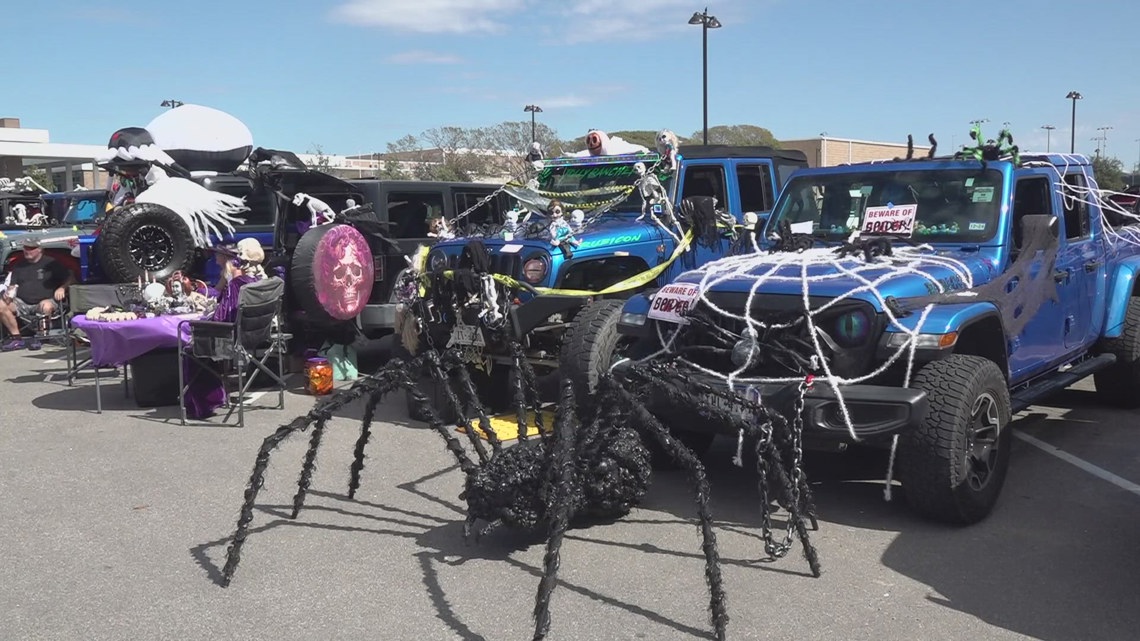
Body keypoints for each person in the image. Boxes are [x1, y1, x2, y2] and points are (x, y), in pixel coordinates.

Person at [183, 237, 268, 419]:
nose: (215, 259)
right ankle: (216, 396)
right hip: (254, 335)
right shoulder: (254, 283)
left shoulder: (236, 286)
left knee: (190, 348)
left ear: (232, 260)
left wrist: (204, 320)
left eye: (219, 255)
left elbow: (222, 319)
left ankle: (202, 403)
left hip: (231, 339)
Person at [1, 238, 74, 351]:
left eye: (31, 248)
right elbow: (12, 286)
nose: (27, 251)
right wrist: (9, 294)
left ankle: (41, 337)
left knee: (45, 305)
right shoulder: (18, 266)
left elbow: (72, 278)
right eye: (25, 248)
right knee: (1, 304)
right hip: (22, 302)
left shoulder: (51, 263)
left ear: (40, 250)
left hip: (46, 300)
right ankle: (16, 338)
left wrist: (62, 288)